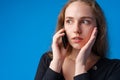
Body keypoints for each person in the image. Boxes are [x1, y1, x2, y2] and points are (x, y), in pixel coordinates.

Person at [35, 0, 120, 80]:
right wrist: (57, 63)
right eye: (69, 21)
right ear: (63, 26)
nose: (76, 30)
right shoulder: (48, 60)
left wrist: (80, 66)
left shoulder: (114, 68)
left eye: (85, 22)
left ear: (98, 27)